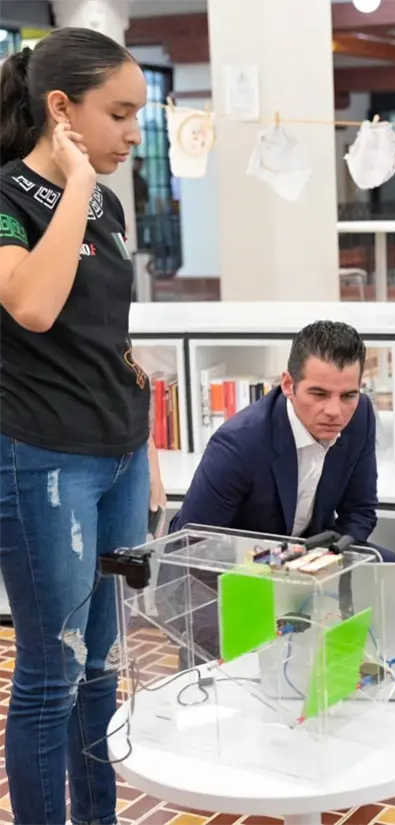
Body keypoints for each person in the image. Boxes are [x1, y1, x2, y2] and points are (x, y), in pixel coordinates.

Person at [0, 29, 164, 825]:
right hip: (42, 460)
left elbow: (114, 339)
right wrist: (68, 182)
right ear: (60, 109)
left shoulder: (107, 200)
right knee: (49, 673)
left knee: (100, 664)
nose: (134, 131)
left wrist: (150, 451)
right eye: (120, 112)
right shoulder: (6, 198)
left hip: (121, 453)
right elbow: (31, 304)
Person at [170, 319, 395, 559]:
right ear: (289, 384)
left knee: (393, 565)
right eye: (319, 394)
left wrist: (325, 559)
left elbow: (359, 511)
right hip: (246, 564)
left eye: (348, 395)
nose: (334, 411)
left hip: (315, 554)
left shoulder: (361, 414)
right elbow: (191, 545)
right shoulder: (238, 443)